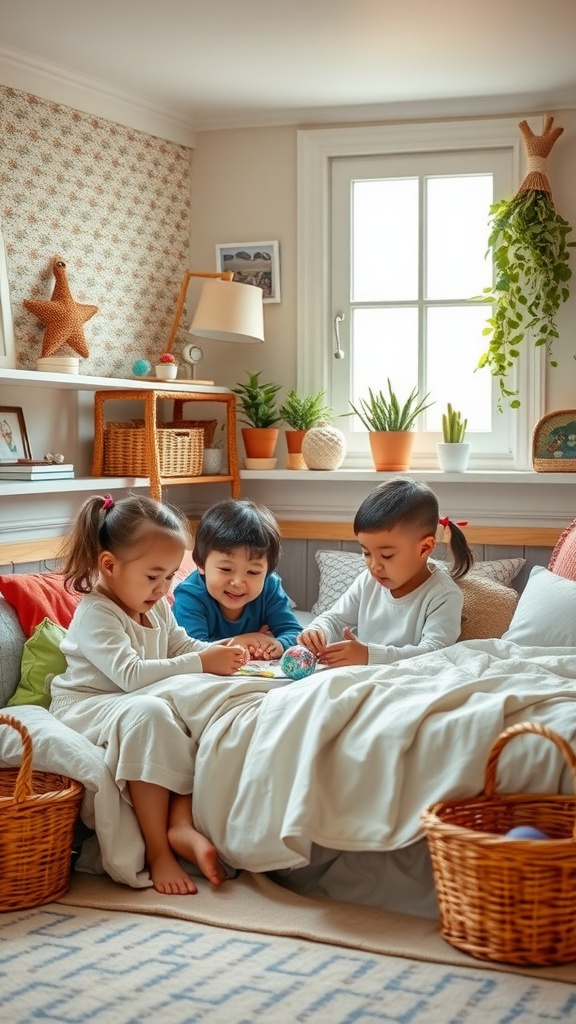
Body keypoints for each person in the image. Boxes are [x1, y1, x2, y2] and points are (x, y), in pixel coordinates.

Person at [49, 493, 248, 896]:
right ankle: (159, 852)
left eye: (171, 576)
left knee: (198, 703)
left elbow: (180, 646)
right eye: (153, 575)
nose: (163, 588)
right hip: (85, 707)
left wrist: (217, 653)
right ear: (109, 565)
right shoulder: (97, 613)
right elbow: (129, 674)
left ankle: (180, 824)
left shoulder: (154, 604)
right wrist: (202, 664)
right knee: (150, 713)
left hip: (129, 701)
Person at [298, 477, 474, 667]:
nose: (374, 566)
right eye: (366, 553)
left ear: (424, 548)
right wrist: (317, 631)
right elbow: (335, 618)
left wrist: (369, 655)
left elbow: (434, 653)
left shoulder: (444, 595)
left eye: (387, 555)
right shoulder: (369, 580)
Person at [173, 498, 301, 659]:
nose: (238, 582)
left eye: (253, 572)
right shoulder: (190, 595)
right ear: (200, 564)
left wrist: (279, 644)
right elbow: (189, 649)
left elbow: (294, 632)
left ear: (268, 572)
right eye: (226, 569)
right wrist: (240, 642)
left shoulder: (270, 587)